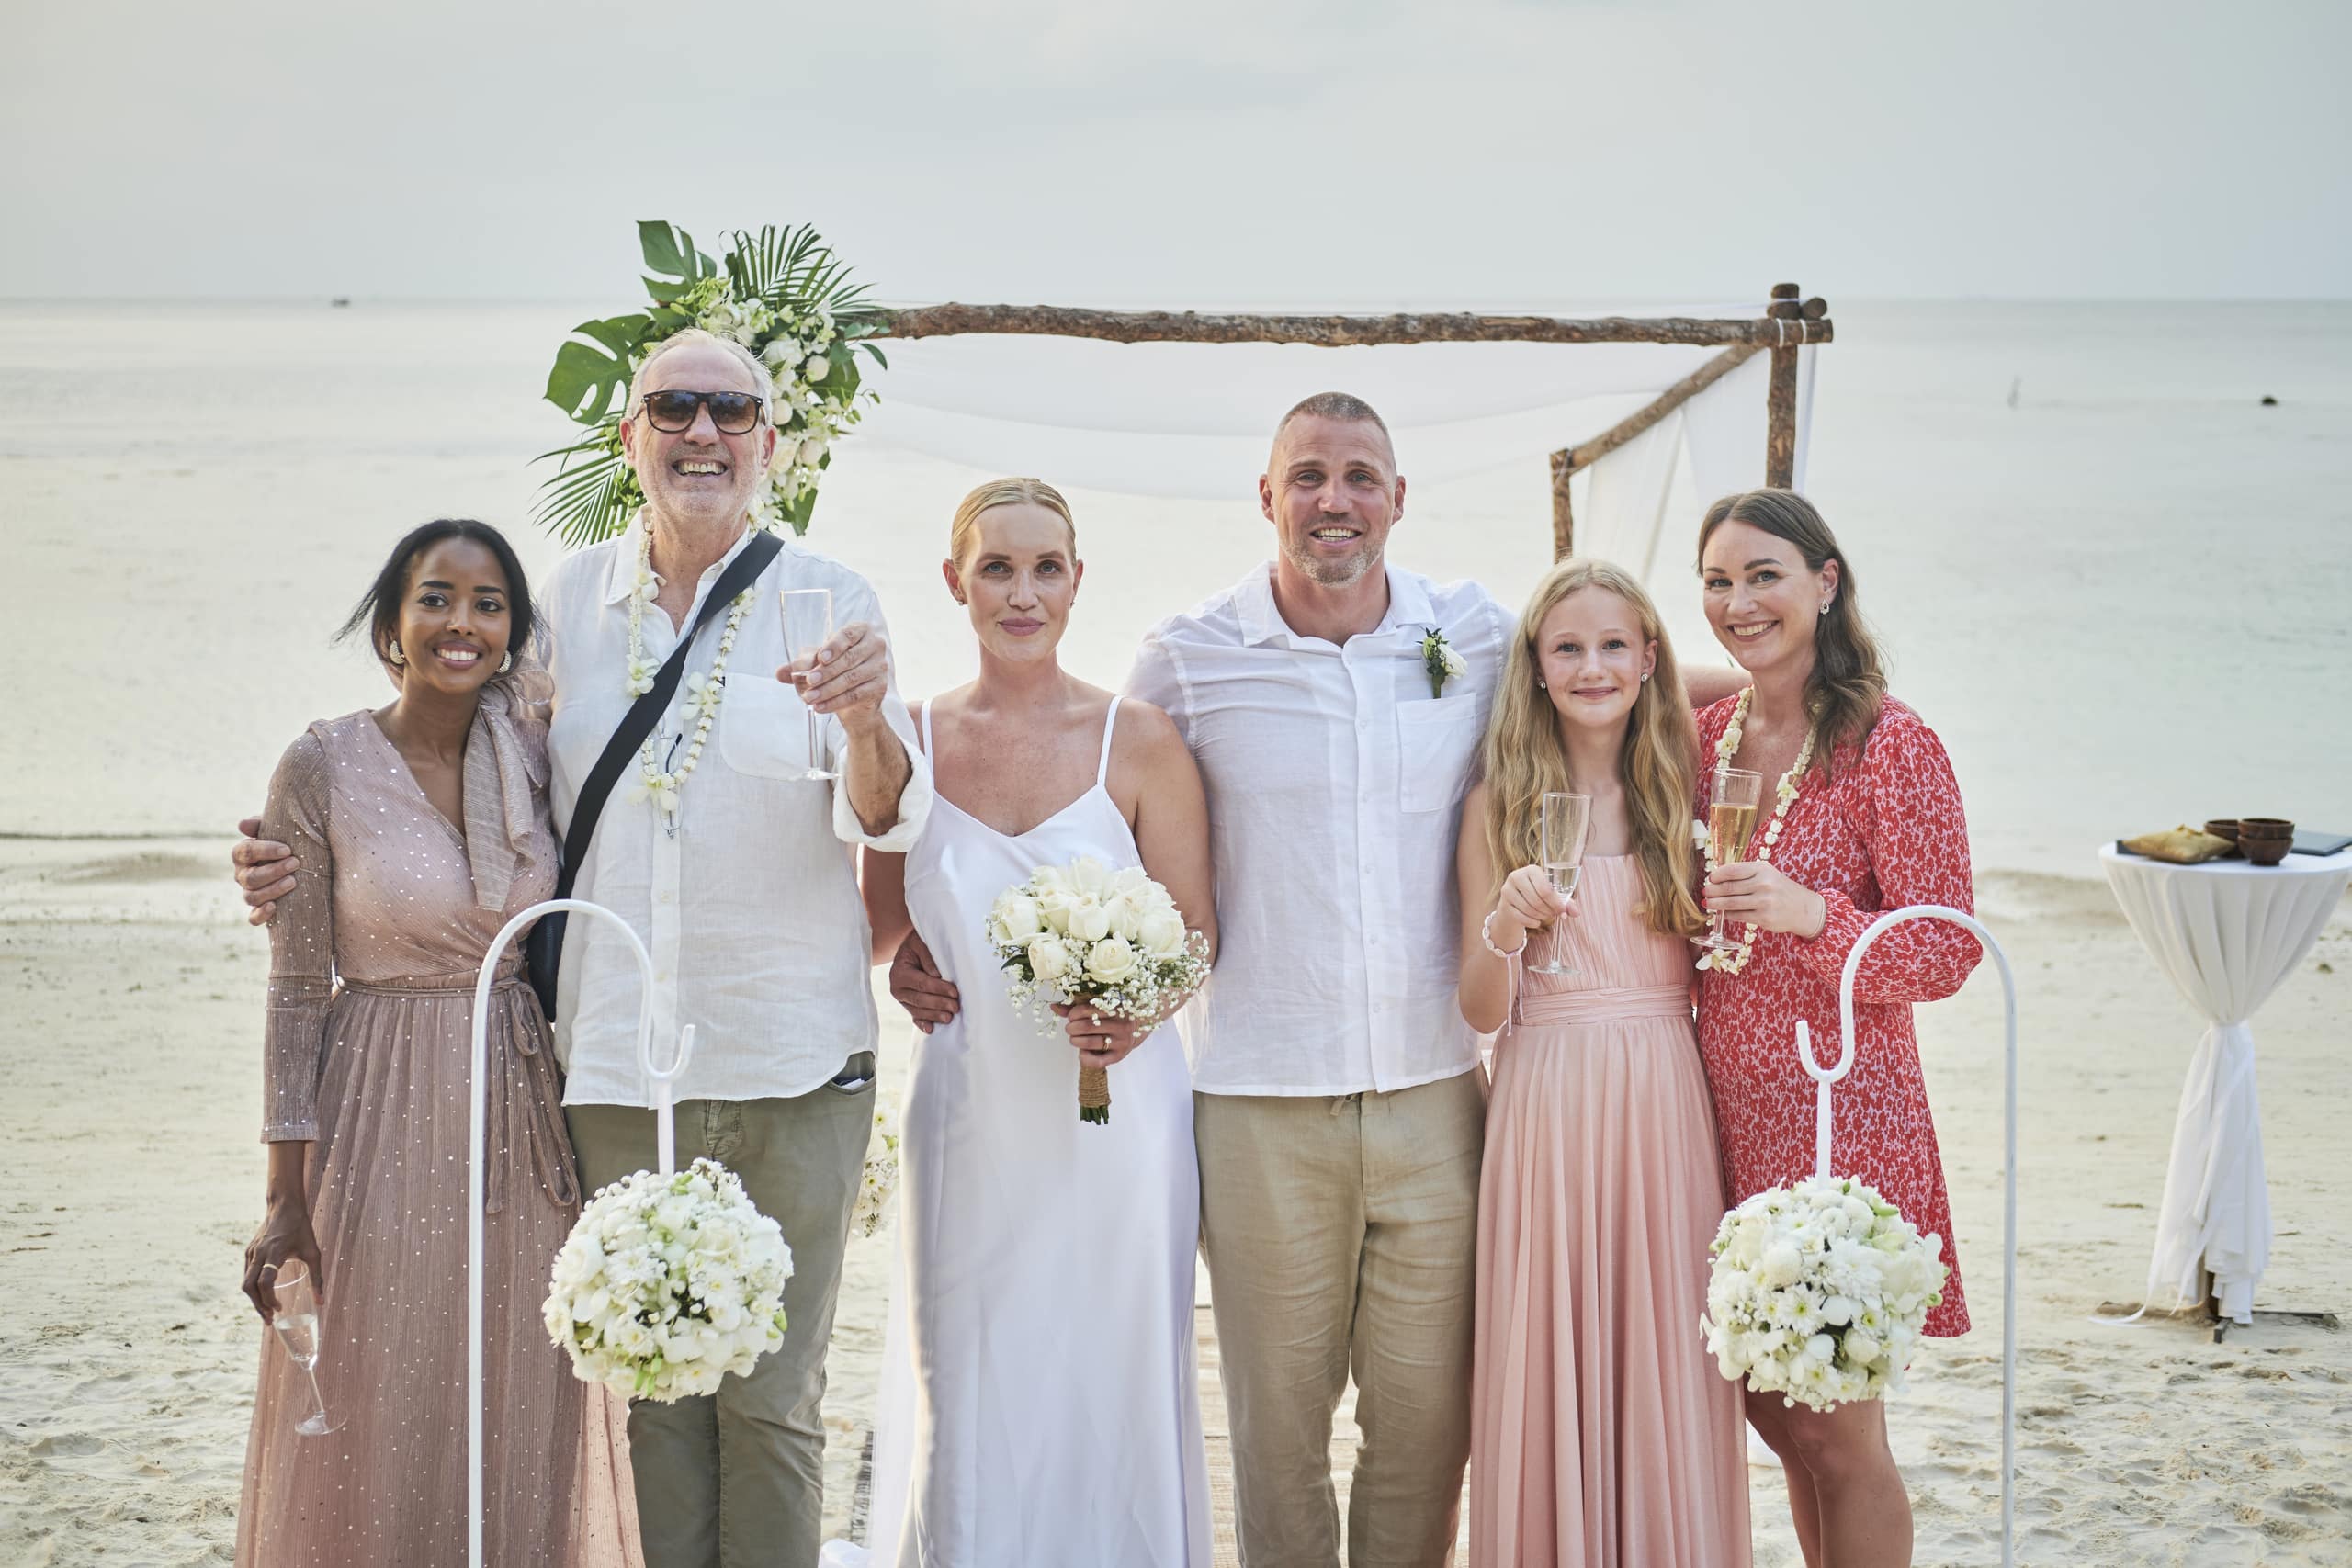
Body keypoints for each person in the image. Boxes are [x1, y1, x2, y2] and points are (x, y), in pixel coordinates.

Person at [234, 329, 932, 1568]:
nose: (702, 431)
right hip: (609, 1069)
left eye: (731, 409)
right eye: (674, 407)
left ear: (770, 442)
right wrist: (309, 848)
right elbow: (456, 759)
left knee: (771, 1402)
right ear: (633, 436)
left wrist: (870, 715)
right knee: (646, 1396)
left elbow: (883, 810)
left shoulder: (834, 600)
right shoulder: (563, 604)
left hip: (794, 1061)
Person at [234, 520, 637, 1566]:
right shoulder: (321, 763)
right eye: (436, 597)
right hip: (376, 1103)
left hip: (516, 1102)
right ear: (390, 624)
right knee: (383, 1378)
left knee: (518, 1372)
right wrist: (285, 1192)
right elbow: (294, 990)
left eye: (489, 602)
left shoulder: (534, 741)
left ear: (512, 634)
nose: (462, 621)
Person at [851, 477, 1215, 1566]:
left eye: (1044, 568)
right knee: (963, 1375)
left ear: (1076, 581)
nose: (1022, 593)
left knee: (1109, 1373)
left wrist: (1138, 1017)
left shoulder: (1138, 740)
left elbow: (1195, 935)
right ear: (955, 582)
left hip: (1117, 1126)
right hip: (969, 1113)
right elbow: (877, 929)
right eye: (997, 569)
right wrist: (908, 970)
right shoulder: (907, 738)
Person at [1691, 489, 1979, 1568]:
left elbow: (1946, 951)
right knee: (1777, 1418)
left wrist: (1815, 917)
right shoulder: (1712, 733)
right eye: (1717, 581)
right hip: (1723, 1117)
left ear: (1825, 581)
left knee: (1837, 1430)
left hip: (1836, 1118)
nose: (1738, 601)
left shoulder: (1890, 745)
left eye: (1763, 575)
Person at [1454, 558, 1749, 1567]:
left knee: (1664, 1354)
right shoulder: (1498, 796)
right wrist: (1502, 922)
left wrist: (1673, 681)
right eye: (1565, 648)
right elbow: (1476, 1007)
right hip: (1545, 1094)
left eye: (1613, 644)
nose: (1591, 667)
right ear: (1533, 669)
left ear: (1648, 656)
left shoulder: (1684, 783)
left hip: (1667, 1094)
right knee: (1548, 1358)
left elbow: (1763, 682)